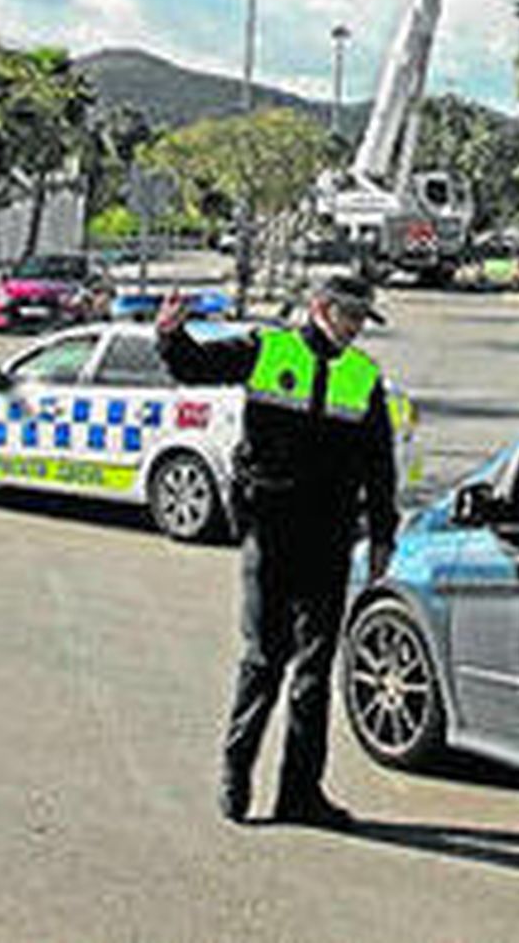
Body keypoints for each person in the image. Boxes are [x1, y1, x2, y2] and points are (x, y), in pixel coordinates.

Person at [156, 271, 398, 827]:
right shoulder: (270, 348)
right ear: (319, 307)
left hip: (331, 535)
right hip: (272, 529)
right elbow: (196, 366)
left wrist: (384, 532)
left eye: (363, 319)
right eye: (349, 316)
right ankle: (235, 776)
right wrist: (171, 336)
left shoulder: (363, 377)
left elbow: (378, 466)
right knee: (265, 659)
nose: (356, 329)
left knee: (316, 669)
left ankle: (300, 794)